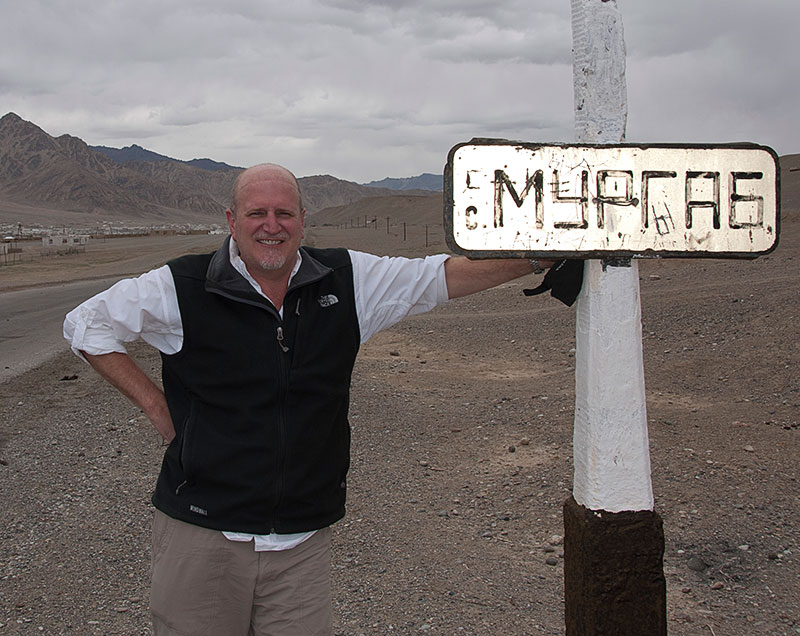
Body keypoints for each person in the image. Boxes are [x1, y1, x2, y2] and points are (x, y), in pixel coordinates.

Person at [63, 163, 553, 635]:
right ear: (232, 222)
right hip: (203, 534)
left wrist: (540, 257)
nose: (271, 226)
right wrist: (157, 407)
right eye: (256, 214)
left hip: (302, 540)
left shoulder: (345, 280)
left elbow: (441, 277)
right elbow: (87, 324)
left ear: (303, 220)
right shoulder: (182, 286)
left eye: (284, 213)